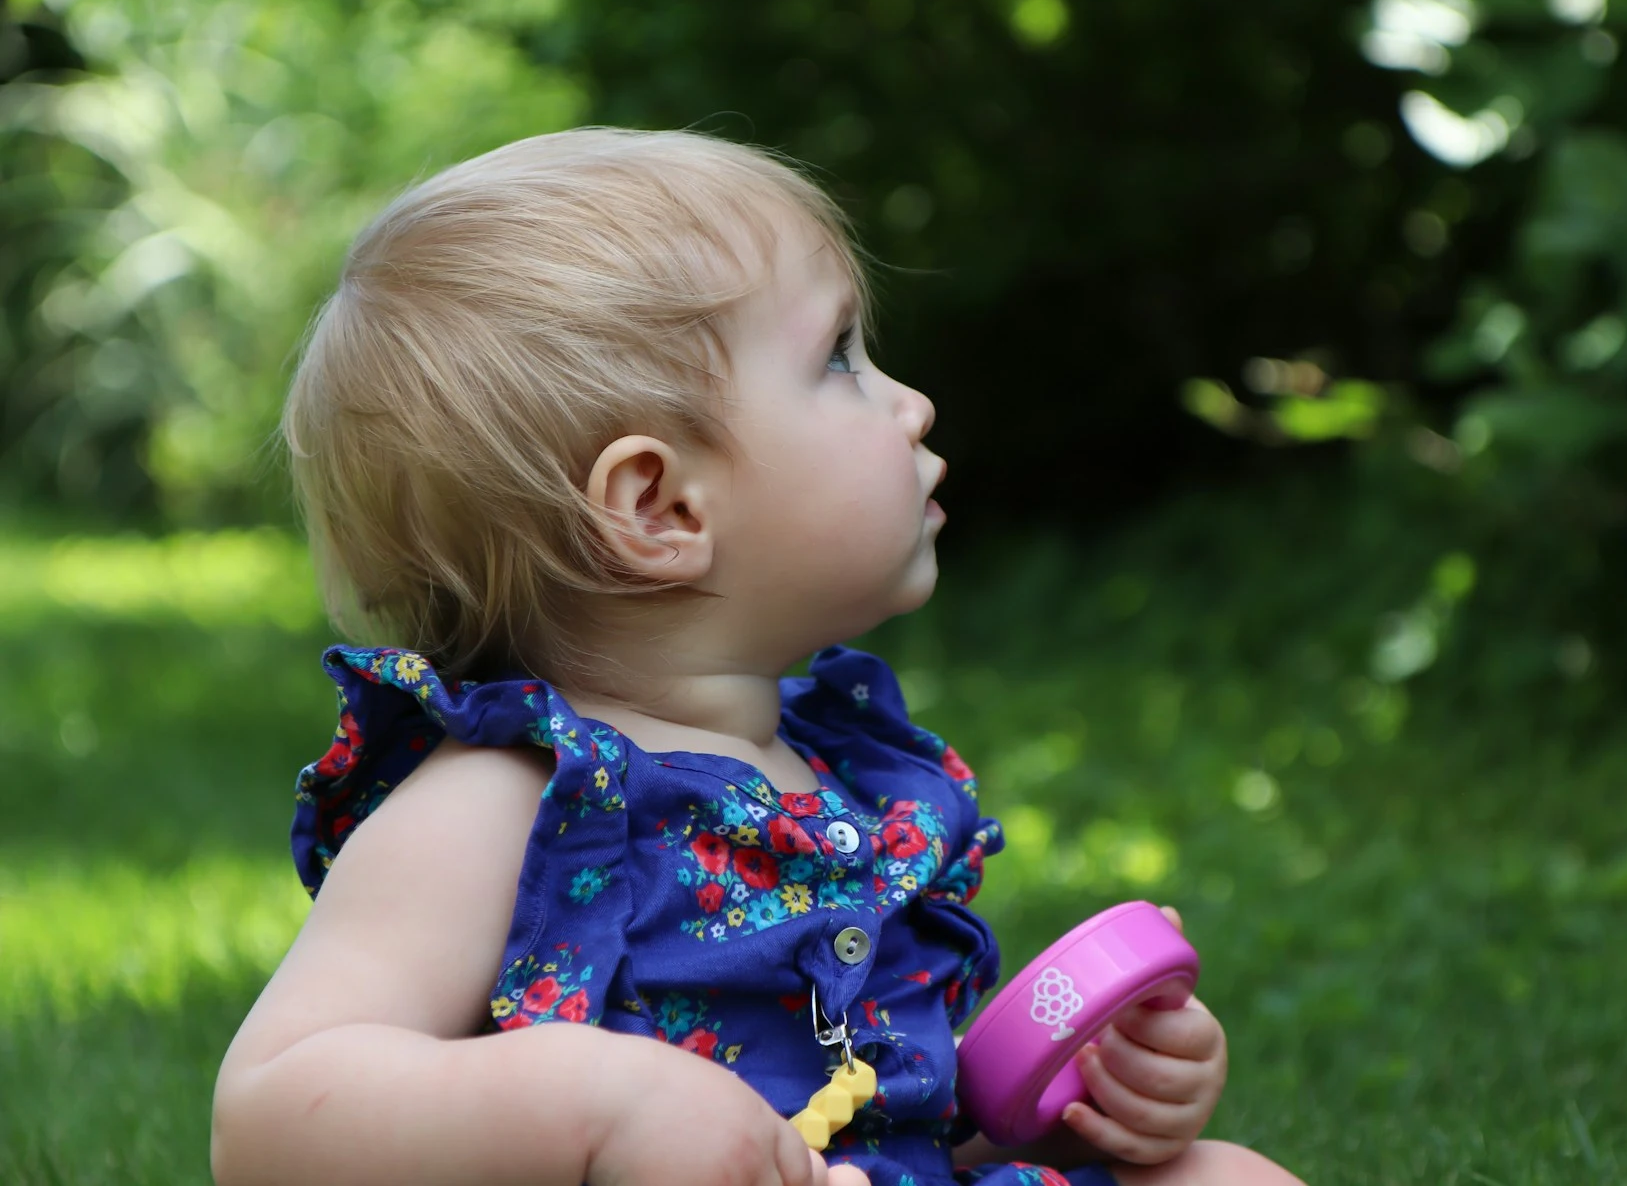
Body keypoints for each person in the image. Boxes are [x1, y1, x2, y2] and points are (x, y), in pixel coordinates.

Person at [209, 128, 1306, 1186]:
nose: (913, 404)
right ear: (661, 507)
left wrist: (1071, 1098)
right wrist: (604, 1108)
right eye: (838, 358)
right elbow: (269, 1116)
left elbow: (889, 1125)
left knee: (1219, 1174)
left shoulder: (838, 777)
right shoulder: (501, 804)